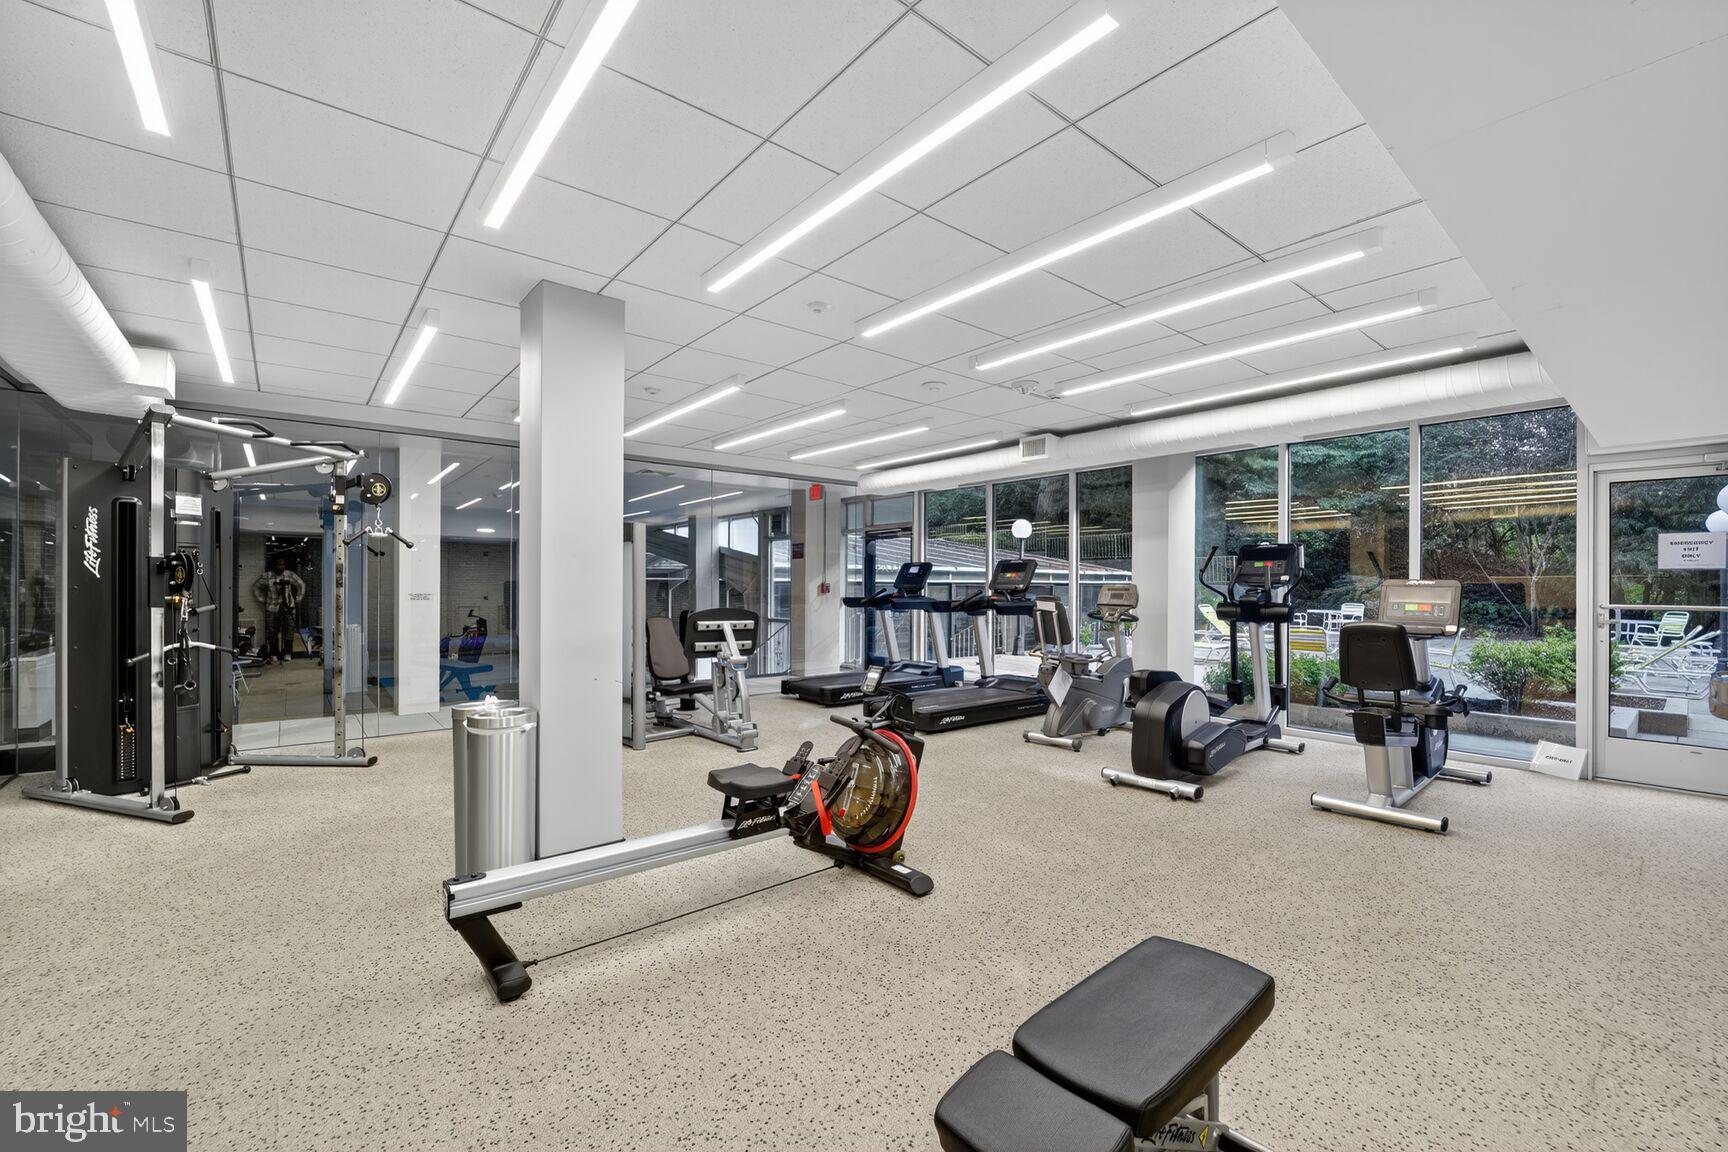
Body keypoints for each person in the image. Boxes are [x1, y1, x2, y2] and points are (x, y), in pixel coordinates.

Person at [252, 556, 306, 665]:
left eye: (282, 564)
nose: (281, 567)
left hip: (288, 607)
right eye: (279, 564)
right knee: (272, 632)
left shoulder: (289, 575)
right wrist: (263, 599)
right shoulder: (266, 576)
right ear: (274, 565)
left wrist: (298, 599)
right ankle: (274, 653)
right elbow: (256, 587)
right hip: (272, 608)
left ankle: (287, 653)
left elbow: (301, 585)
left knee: (289, 630)